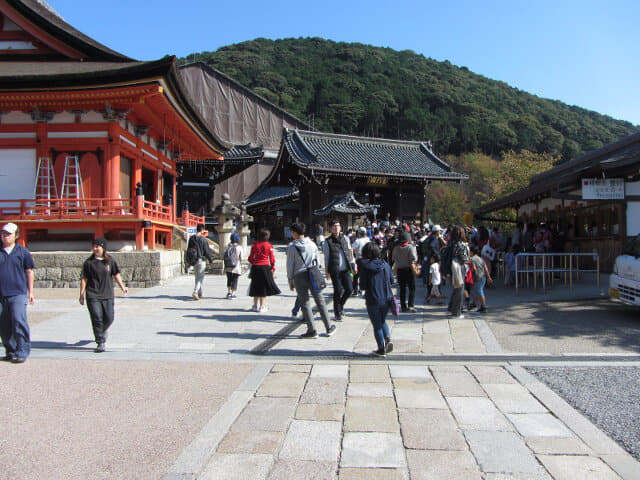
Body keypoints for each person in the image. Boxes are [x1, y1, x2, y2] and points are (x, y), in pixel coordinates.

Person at [286, 223, 336, 338]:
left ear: (294, 232)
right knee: (320, 302)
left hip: (299, 276)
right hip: (313, 274)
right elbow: (317, 262)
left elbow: (290, 265)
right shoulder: (312, 244)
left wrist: (290, 279)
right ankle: (328, 327)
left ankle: (312, 330)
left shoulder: (292, 247)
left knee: (305, 303)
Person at [79, 238, 128, 353]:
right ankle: (100, 342)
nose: (95, 249)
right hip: (93, 295)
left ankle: (102, 330)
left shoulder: (110, 261)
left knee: (109, 318)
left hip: (107, 294)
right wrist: (81, 294)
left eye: (98, 246)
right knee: (97, 318)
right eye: (94, 246)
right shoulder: (88, 263)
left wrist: (122, 286)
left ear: (103, 248)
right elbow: (84, 279)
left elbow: (116, 274)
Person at [0, 223, 35, 363]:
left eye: (8, 234)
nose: (5, 236)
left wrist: (30, 292)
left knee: (18, 320)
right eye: (3, 233)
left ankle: (22, 350)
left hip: (18, 293)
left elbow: (29, 271)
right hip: (1, 294)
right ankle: (10, 350)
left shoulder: (23, 252)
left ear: (16, 235)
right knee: (3, 324)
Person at [358, 242, 394, 357]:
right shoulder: (385, 264)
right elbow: (392, 280)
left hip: (373, 298)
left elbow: (363, 285)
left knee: (376, 324)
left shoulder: (364, 266)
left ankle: (381, 348)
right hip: (387, 298)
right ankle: (388, 339)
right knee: (382, 320)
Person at [322, 220, 356, 321]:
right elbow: (326, 258)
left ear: (340, 227)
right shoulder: (327, 242)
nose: (336, 228)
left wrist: (354, 264)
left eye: (338, 226)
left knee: (349, 289)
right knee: (338, 290)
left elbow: (350, 253)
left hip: (345, 269)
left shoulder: (345, 238)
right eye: (334, 226)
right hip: (334, 269)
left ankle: (340, 305)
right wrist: (327, 271)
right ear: (331, 228)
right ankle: (337, 313)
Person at [248, 228, 281, 312]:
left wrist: (254, 262)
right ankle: (262, 306)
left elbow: (250, 258)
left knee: (255, 285)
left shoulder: (254, 245)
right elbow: (272, 259)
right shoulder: (269, 246)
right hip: (265, 267)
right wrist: (272, 268)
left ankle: (255, 305)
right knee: (263, 287)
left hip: (256, 267)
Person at [392, 230, 418, 312]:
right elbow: (414, 259)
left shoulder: (396, 248)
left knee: (402, 288)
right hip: (408, 269)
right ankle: (411, 304)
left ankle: (403, 306)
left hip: (399, 270)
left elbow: (393, 259)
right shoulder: (410, 247)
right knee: (412, 288)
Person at [188, 223, 213, 300]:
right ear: (202, 230)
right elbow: (207, 251)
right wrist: (210, 261)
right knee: (200, 277)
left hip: (194, 260)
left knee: (196, 277)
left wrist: (188, 262)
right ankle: (195, 292)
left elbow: (188, 250)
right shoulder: (203, 239)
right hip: (201, 259)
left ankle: (200, 292)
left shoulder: (191, 238)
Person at [449, 225, 470, 319]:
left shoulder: (450, 243)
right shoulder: (461, 244)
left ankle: (452, 307)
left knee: (455, 289)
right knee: (459, 290)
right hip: (459, 267)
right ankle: (456, 312)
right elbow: (464, 258)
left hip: (452, 268)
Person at [470, 245, 492, 312]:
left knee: (479, 291)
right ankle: (474, 303)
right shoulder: (481, 259)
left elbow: (473, 268)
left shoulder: (472, 259)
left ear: (472, 252)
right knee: (477, 291)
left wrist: (470, 272)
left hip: (477, 277)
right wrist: (488, 277)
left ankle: (483, 306)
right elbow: (485, 268)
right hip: (483, 277)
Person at [351, 227, 370, 295]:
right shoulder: (368, 240)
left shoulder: (358, 241)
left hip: (359, 259)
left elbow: (351, 248)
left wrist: (354, 253)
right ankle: (364, 290)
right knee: (364, 275)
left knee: (356, 276)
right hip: (368, 259)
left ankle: (355, 291)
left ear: (359, 233)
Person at [223, 232, 242, 299]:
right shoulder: (239, 247)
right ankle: (233, 294)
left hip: (228, 266)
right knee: (235, 280)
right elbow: (241, 257)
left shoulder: (227, 247)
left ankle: (229, 292)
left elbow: (223, 256)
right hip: (236, 267)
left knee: (229, 279)